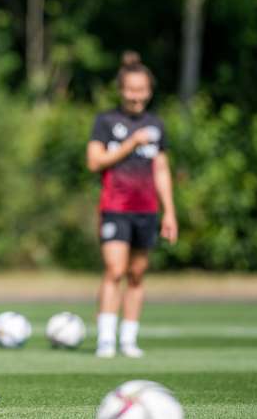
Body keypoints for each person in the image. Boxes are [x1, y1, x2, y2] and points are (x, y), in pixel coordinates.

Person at [86, 51, 178, 359]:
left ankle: (128, 339)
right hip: (115, 206)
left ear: (149, 91)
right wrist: (130, 144)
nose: (136, 96)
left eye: (142, 90)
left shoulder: (157, 125)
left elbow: (162, 170)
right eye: (131, 89)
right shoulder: (106, 121)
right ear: (121, 90)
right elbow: (94, 161)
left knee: (137, 274)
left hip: (147, 210)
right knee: (115, 269)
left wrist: (170, 213)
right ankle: (106, 339)